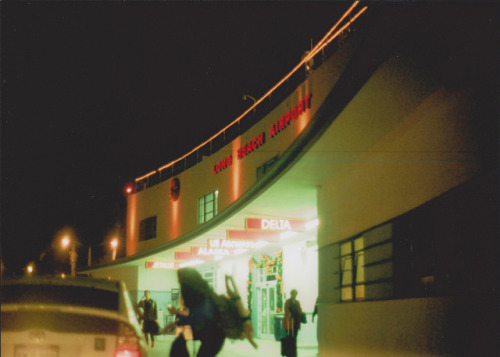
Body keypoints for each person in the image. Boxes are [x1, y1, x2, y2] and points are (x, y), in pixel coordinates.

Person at [168, 267, 225, 357]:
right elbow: (195, 315)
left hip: (214, 336)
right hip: (211, 334)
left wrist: (179, 316)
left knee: (178, 345)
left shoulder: (202, 297)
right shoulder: (201, 294)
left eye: (180, 280)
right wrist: (178, 315)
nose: (179, 282)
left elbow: (200, 317)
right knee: (178, 343)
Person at [283, 289, 303, 357]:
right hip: (289, 323)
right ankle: (289, 352)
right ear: (291, 294)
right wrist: (289, 315)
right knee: (289, 337)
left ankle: (294, 353)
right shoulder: (288, 301)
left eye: (295, 294)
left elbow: (299, 310)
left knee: (294, 338)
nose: (294, 295)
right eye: (293, 294)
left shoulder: (297, 302)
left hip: (296, 323)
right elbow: (286, 310)